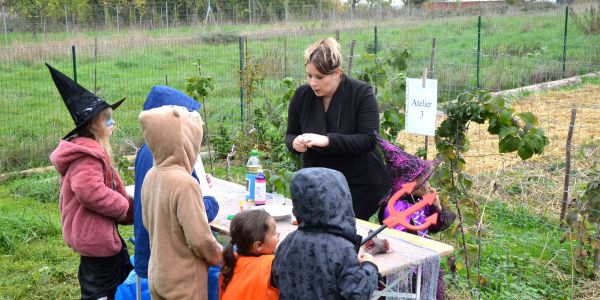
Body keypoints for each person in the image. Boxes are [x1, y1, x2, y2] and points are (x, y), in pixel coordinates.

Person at [47, 63, 133, 300]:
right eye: (108, 121)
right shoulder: (87, 155)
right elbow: (89, 191)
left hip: (97, 234)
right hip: (95, 238)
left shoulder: (89, 150)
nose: (113, 125)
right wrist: (123, 205)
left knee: (121, 271)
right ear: (95, 126)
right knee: (100, 289)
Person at [285, 37, 391, 220]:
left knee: (347, 236)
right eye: (309, 76)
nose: (313, 83)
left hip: (359, 185)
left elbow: (369, 139)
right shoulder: (302, 96)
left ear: (337, 73)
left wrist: (327, 140)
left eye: (319, 77)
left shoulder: (361, 94)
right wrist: (295, 143)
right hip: (318, 184)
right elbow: (290, 134)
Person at [132, 85, 220, 299]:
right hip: (183, 280)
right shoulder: (185, 183)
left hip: (158, 273)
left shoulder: (153, 174)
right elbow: (200, 239)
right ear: (185, 142)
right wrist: (220, 255)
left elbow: (146, 221)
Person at [272, 167, 379, 300]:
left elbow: (275, 278)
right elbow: (359, 293)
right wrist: (370, 266)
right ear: (342, 201)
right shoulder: (343, 250)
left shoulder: (288, 241)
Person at [376, 134, 455, 238]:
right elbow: (402, 240)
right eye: (425, 180)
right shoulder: (396, 207)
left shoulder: (420, 200)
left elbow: (434, 227)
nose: (428, 185)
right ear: (410, 182)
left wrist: (437, 206)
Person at [219, 209, 279, 300]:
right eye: (274, 233)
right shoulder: (271, 264)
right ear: (258, 245)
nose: (278, 234)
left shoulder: (230, 260)